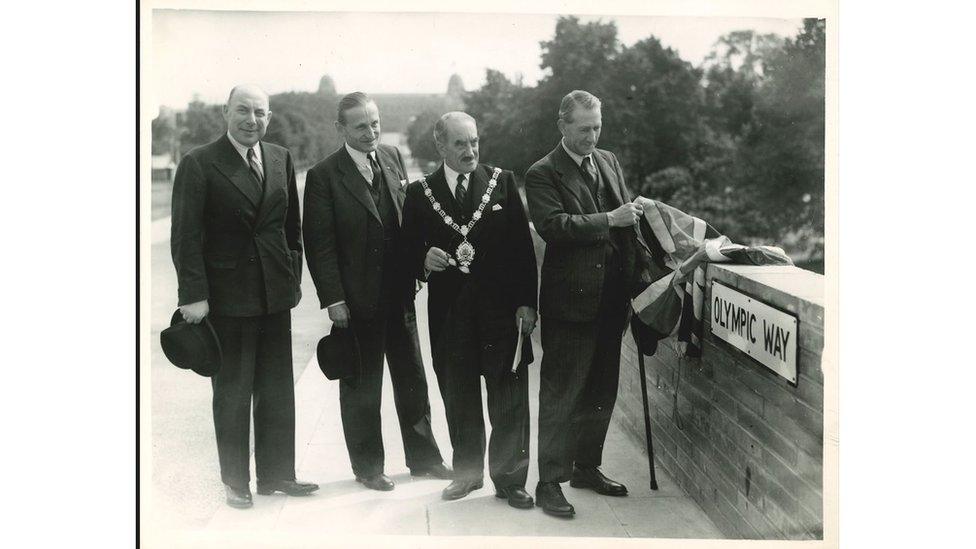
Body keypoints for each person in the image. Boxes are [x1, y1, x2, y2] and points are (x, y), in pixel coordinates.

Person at [170, 84, 318, 509]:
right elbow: (185, 235)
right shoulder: (199, 163)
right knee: (233, 391)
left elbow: (292, 226)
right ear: (226, 113)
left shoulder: (279, 157)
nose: (252, 119)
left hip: (274, 293)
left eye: (260, 112)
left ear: (269, 117)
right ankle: (236, 481)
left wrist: (291, 274)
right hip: (226, 297)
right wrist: (193, 295)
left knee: (276, 389)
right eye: (243, 111)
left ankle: (277, 475)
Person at [303, 92, 450, 491]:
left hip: (399, 292)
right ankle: (368, 468)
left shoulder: (391, 157)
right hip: (355, 300)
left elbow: (408, 222)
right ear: (341, 129)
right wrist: (334, 300)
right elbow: (320, 245)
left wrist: (418, 264)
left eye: (374, 123)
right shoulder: (323, 176)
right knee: (362, 386)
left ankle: (424, 459)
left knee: (413, 378)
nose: (371, 132)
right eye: (360, 126)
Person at [400, 112, 538, 509]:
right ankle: (466, 474)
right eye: (460, 144)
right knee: (458, 398)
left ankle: (510, 480)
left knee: (509, 399)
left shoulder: (502, 182)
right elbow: (405, 251)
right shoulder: (419, 193)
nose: (470, 151)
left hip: (501, 314)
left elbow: (523, 251)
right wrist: (423, 257)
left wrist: (527, 303)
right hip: (450, 317)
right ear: (440, 146)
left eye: (474, 141)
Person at [525, 90, 645, 517]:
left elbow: (628, 220)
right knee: (562, 392)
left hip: (612, 299)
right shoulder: (542, 172)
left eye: (596, 127)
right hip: (570, 303)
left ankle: (586, 467)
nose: (591, 137)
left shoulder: (608, 161)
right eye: (583, 129)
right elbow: (553, 226)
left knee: (600, 389)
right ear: (562, 126)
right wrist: (609, 220)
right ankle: (548, 482)